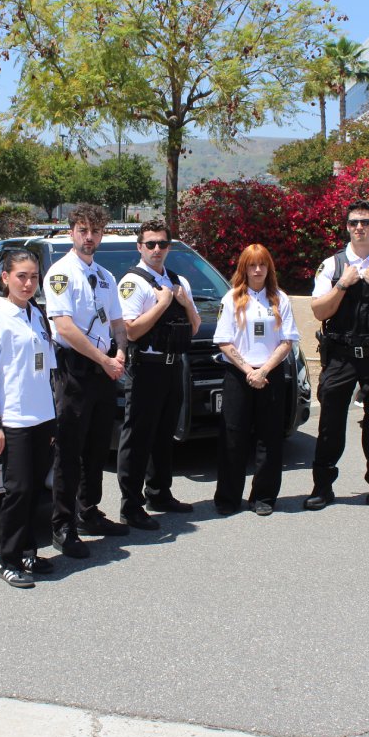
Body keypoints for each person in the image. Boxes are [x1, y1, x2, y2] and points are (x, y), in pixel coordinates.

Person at [304, 200, 369, 515]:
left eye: (365, 222)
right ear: (347, 228)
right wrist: (342, 284)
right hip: (340, 356)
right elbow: (319, 310)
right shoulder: (332, 265)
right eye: (353, 223)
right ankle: (322, 488)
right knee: (330, 425)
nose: (359, 228)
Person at [44, 204, 130, 559]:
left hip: (104, 371)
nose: (90, 237)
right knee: (69, 451)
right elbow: (64, 327)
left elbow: (118, 323)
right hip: (75, 372)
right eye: (83, 230)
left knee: (97, 448)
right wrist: (105, 359)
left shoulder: (107, 276)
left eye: (96, 230)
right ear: (71, 233)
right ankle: (62, 526)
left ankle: (89, 512)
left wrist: (122, 352)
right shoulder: (60, 274)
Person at [0, 249, 57, 589]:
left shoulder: (36, 315)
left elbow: (48, 368)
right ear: (5, 278)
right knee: (18, 490)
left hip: (43, 416)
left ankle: (28, 552)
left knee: (36, 489)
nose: (28, 283)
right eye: (22, 276)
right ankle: (8, 560)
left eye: (34, 276)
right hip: (15, 420)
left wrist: (54, 414)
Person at [116, 220, 201, 530]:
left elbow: (192, 328)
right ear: (140, 247)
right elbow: (130, 330)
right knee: (138, 437)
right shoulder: (133, 282)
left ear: (169, 246)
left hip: (173, 365)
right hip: (146, 368)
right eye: (150, 244)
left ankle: (159, 493)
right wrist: (163, 303)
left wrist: (183, 302)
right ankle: (131, 506)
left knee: (164, 434)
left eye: (162, 244)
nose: (156, 249)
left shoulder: (179, 282)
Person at [213, 244, 299, 516]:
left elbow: (287, 342)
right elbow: (224, 341)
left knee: (269, 438)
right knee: (233, 437)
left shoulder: (280, 299)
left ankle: (263, 497)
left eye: (262, 264)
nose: (258, 270)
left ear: (269, 268)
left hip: (270, 374)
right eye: (252, 265)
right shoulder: (231, 299)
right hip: (239, 376)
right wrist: (249, 369)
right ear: (244, 269)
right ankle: (228, 498)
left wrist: (263, 371)